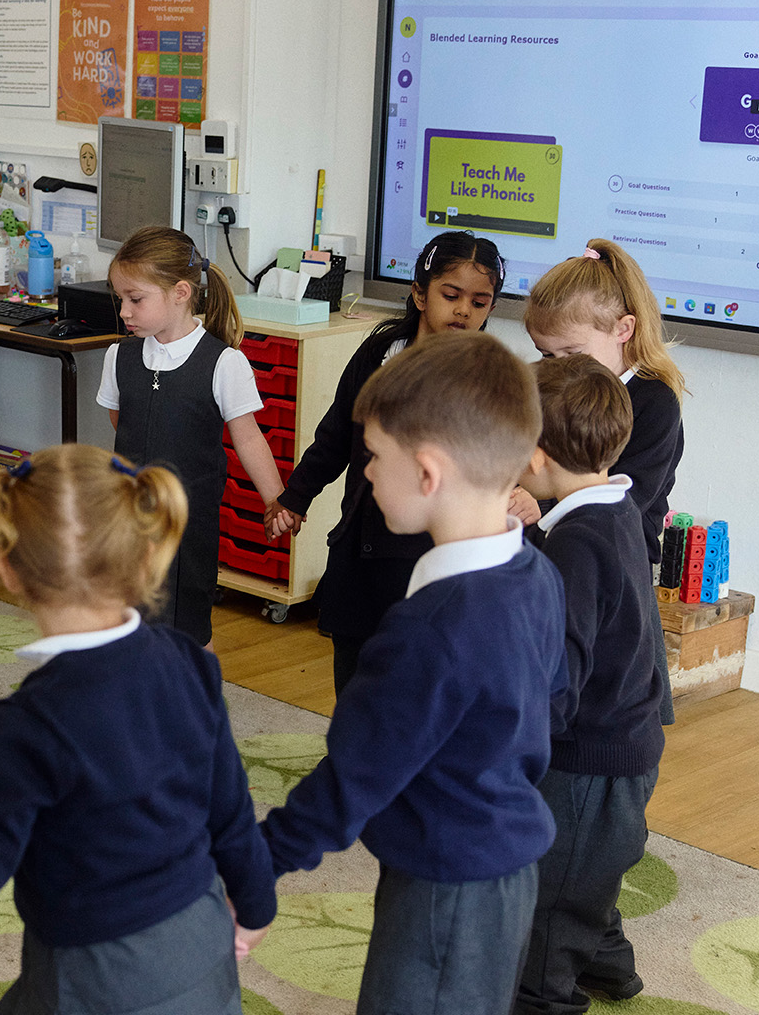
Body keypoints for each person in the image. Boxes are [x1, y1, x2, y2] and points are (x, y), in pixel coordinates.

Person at [0, 444, 278, 1014]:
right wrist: (258, 903)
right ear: (141, 549)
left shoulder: (20, 729)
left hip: (93, 973)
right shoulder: (190, 660)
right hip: (201, 939)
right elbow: (230, 806)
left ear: (6, 568)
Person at [259, 331, 567, 1014]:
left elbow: (351, 778)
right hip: (502, 866)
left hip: (446, 885)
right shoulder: (537, 574)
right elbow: (553, 700)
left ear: (428, 473)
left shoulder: (429, 628)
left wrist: (255, 867)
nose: (365, 472)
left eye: (373, 457)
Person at [264, 229, 505, 692]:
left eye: (479, 302)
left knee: (411, 686)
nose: (463, 310)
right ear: (419, 293)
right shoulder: (379, 354)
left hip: (426, 560)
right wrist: (295, 497)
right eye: (450, 295)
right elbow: (335, 434)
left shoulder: (483, 379)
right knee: (354, 682)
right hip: (360, 549)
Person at [514, 355, 670, 1014]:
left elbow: (561, 670)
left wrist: (516, 750)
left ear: (538, 454)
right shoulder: (617, 509)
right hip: (625, 746)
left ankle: (545, 999)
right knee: (587, 881)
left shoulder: (577, 543)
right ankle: (610, 967)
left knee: (550, 907)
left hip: (586, 763)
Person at [521, 239, 686, 724]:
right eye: (546, 356)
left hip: (618, 575)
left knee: (612, 710)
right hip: (563, 558)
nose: (559, 368)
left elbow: (626, 497)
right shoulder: (562, 390)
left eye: (571, 353)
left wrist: (540, 506)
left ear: (623, 330)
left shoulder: (654, 402)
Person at [99, 225, 281, 648]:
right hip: (131, 515)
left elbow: (249, 439)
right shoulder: (119, 355)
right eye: (120, 299)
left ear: (181, 292)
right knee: (129, 617)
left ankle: (195, 705)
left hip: (188, 523)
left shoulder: (224, 363)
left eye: (135, 299)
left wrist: (276, 500)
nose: (124, 311)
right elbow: (121, 420)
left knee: (188, 628)